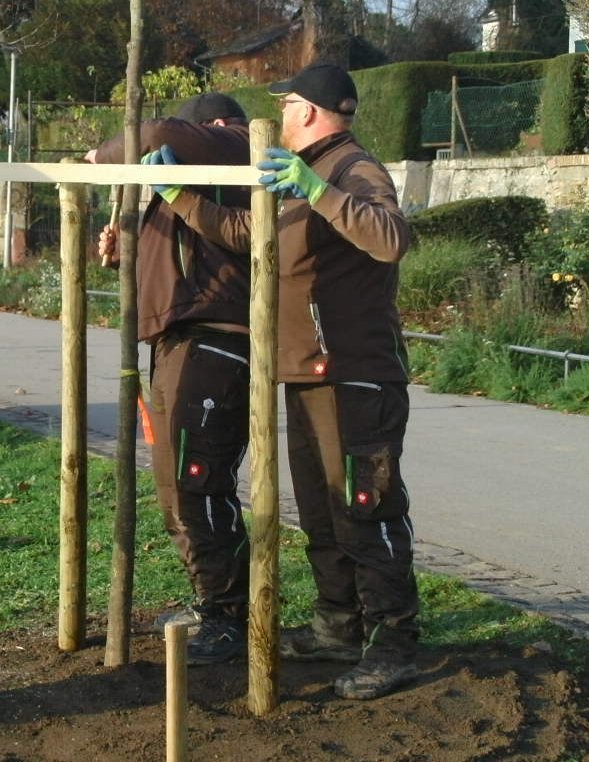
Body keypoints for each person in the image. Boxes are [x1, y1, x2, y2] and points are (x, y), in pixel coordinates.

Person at [153, 62, 420, 700]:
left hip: (355, 376)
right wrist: (180, 195)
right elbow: (249, 234)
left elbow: (391, 239)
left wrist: (318, 190)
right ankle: (338, 627)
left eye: (286, 105)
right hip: (306, 374)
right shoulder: (303, 175)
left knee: (365, 507)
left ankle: (394, 644)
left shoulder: (353, 169)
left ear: (306, 111)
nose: (280, 116)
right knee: (323, 513)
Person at [84, 92, 254, 666]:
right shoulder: (189, 184)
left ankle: (230, 616)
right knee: (174, 487)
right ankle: (213, 602)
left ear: (210, 126)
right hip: (176, 341)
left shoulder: (232, 146)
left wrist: (99, 156)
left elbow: (155, 132)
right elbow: (179, 255)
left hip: (213, 341)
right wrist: (123, 253)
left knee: (196, 479)